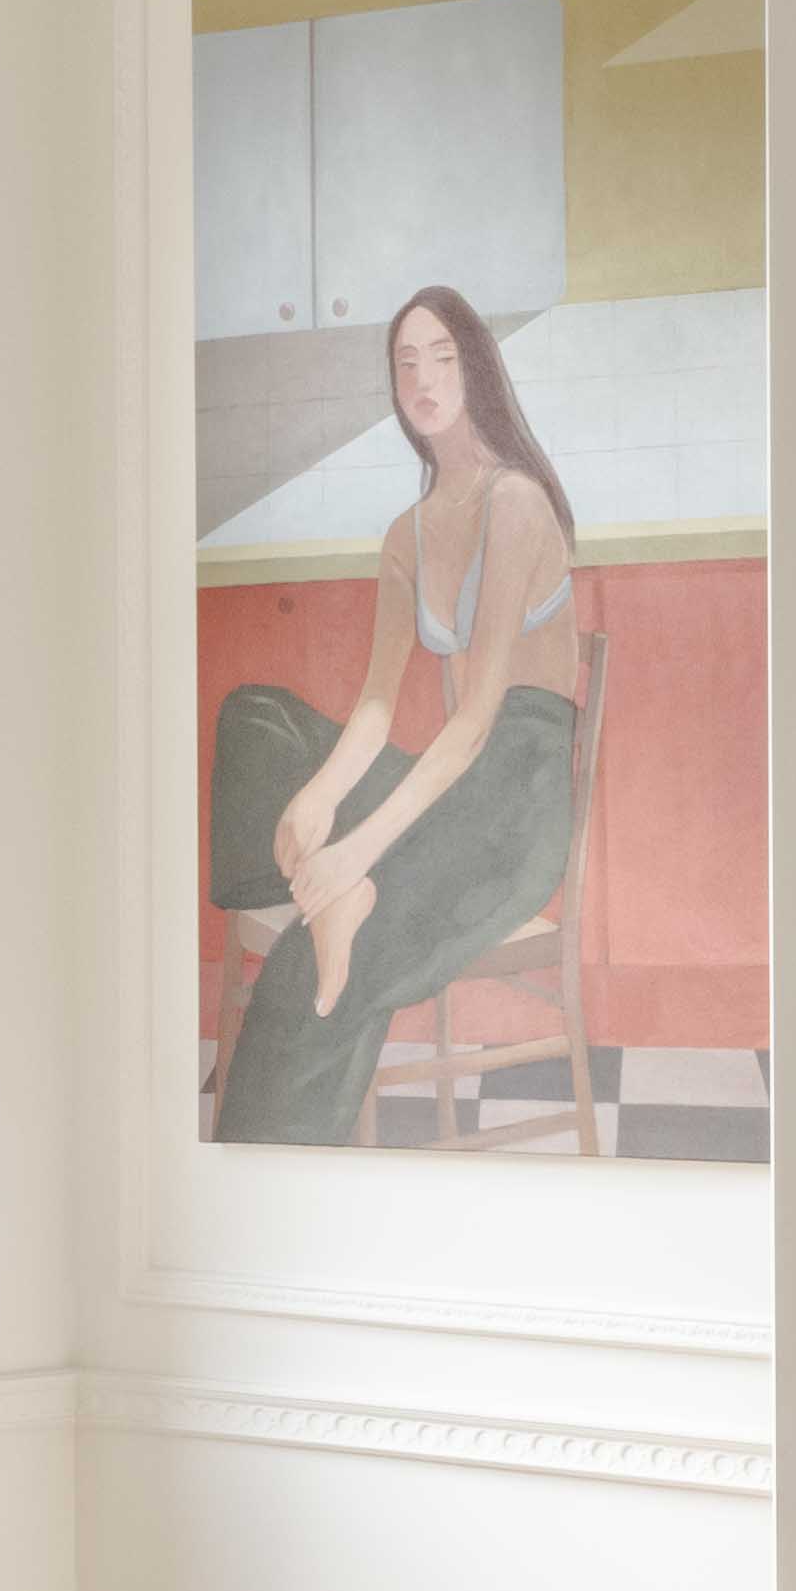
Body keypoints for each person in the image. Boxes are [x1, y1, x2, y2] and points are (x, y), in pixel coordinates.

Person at [207, 282, 595, 1144]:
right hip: (450, 787)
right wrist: (316, 801)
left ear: (478, 370)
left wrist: (353, 852)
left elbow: (475, 719)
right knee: (253, 716)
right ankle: (326, 886)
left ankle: (271, 1176)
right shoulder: (406, 532)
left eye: (443, 358)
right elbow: (378, 707)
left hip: (512, 804)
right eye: (404, 361)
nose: (422, 378)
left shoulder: (517, 502)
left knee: (306, 970)